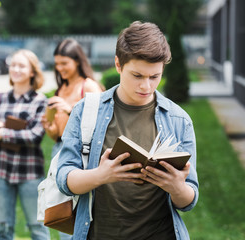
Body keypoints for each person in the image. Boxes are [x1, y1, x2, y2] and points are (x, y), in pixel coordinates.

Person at [56, 21, 199, 240]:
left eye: (154, 77)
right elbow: (64, 178)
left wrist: (176, 187)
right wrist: (100, 175)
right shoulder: (86, 110)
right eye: (137, 76)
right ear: (118, 64)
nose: (147, 86)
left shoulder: (179, 120)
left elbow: (189, 201)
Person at [0, 49, 50, 240]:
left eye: (21, 65)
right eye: (13, 65)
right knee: (3, 228)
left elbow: (35, 135)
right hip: (0, 171)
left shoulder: (40, 101)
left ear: (32, 72)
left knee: (37, 227)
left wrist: (3, 134)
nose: (15, 69)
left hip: (30, 173)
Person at [41, 38, 102, 239]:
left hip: (81, 158)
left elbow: (101, 126)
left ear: (77, 61)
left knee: (79, 215)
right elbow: (57, 135)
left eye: (64, 63)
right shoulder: (62, 88)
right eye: (57, 64)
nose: (59, 68)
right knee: (62, 216)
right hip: (59, 152)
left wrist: (70, 109)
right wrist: (49, 126)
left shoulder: (88, 86)